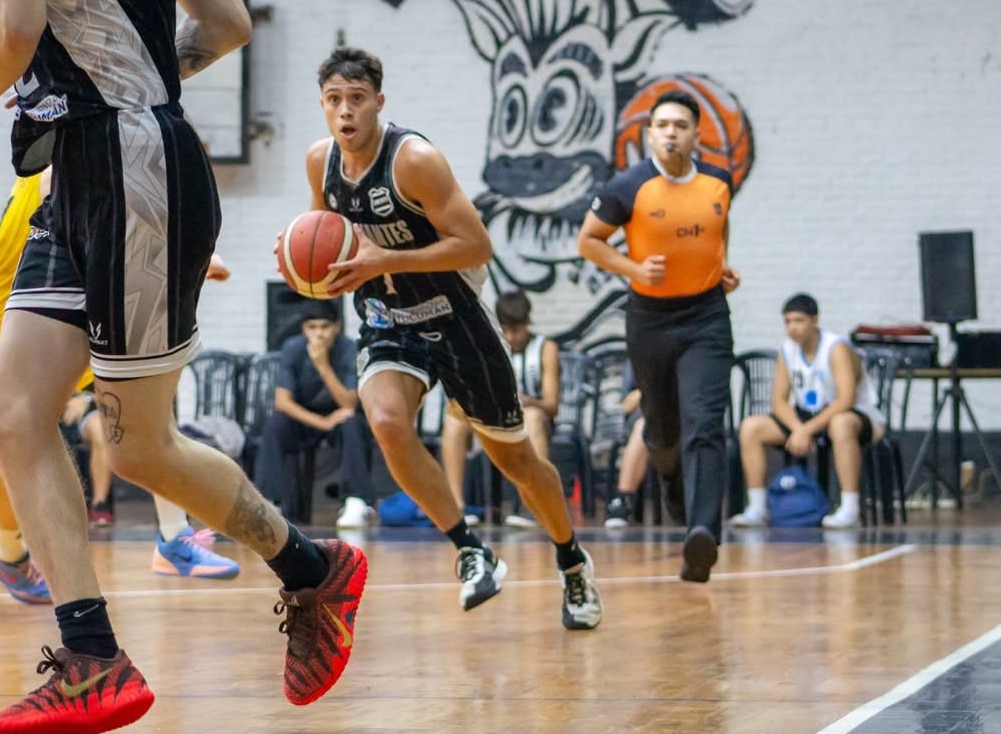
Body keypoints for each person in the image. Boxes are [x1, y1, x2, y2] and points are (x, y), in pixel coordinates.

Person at [0, 0, 365, 734]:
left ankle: (315, 569)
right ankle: (91, 653)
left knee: (138, 446)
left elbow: (11, 36)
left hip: (129, 170)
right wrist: (129, 69)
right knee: (10, 412)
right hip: (83, 174)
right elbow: (227, 25)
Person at [298, 46, 600, 628]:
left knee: (515, 460)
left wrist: (388, 255)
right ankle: (470, 548)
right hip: (388, 317)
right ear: (323, 106)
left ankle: (571, 559)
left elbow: (477, 246)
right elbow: (325, 239)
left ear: (379, 102)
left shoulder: (414, 160)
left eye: (356, 99)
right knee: (386, 421)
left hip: (455, 315)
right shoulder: (320, 163)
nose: (345, 112)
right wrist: (308, 272)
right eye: (334, 101)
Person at [0, 173, 239, 605]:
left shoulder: (89, 152)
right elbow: (93, 233)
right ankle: (8, 551)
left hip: (63, 307)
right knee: (21, 449)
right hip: (3, 326)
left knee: (148, 400)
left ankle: (173, 538)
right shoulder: (61, 164)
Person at [577, 88, 741, 583]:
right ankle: (671, 485)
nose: (672, 132)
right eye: (663, 125)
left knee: (706, 421)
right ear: (651, 134)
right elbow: (588, 241)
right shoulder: (628, 186)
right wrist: (632, 268)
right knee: (663, 432)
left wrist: (721, 268)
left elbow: (718, 229)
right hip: (649, 320)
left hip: (707, 317)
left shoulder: (718, 181)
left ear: (696, 134)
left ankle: (703, 533)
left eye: (681, 125)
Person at [729, 293, 885, 529]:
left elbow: (845, 399)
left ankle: (850, 507)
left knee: (840, 423)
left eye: (799, 321)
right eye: (788, 321)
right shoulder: (787, 350)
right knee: (751, 427)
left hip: (854, 416)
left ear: (815, 320)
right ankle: (757, 507)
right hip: (808, 416)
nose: (792, 328)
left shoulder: (836, 348)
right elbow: (779, 401)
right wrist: (798, 429)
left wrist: (807, 429)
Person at [440, 289, 559, 527]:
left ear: (528, 323)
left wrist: (527, 401)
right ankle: (457, 506)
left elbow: (551, 405)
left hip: (532, 415)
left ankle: (534, 507)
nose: (512, 336)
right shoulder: (488, 346)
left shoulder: (545, 348)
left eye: (517, 329)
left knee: (534, 417)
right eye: (507, 329)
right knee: (454, 419)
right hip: (494, 412)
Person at [253, 302, 377, 528]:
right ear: (304, 329)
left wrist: (322, 366)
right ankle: (270, 502)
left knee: (353, 423)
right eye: (312, 327)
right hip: (307, 416)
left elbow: (349, 403)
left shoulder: (350, 349)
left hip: (339, 416)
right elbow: (283, 402)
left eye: (325, 326)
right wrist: (321, 422)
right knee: (275, 425)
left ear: (337, 327)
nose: (318, 333)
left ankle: (355, 501)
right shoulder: (293, 348)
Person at [604, 362, 651, 529]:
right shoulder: (639, 355)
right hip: (646, 417)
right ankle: (624, 499)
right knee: (645, 426)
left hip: (680, 419)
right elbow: (625, 405)